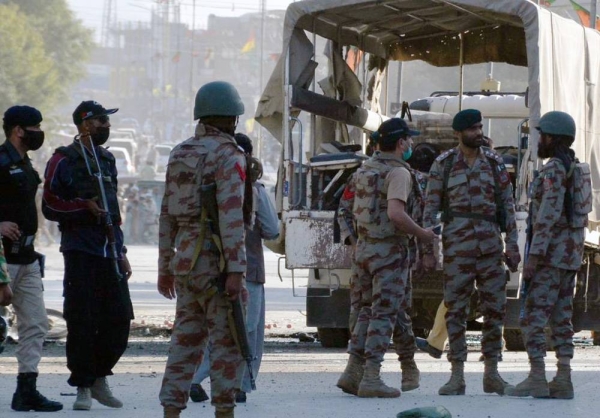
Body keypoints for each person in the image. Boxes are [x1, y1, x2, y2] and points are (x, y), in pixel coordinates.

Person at [158, 81, 247, 418]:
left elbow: (167, 214)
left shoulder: (179, 152)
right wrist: (236, 270)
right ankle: (224, 410)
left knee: (184, 344)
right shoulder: (228, 154)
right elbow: (231, 215)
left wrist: (165, 266)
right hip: (217, 265)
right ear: (231, 119)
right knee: (228, 346)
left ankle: (171, 410)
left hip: (185, 263)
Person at [42, 100, 133, 411]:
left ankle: (98, 377)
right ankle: (82, 385)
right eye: (100, 121)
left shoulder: (107, 160)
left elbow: (114, 213)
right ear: (83, 124)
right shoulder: (62, 159)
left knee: (120, 320)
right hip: (80, 251)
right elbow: (49, 205)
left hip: (109, 253)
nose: (106, 126)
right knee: (82, 321)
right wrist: (82, 207)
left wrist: (120, 251)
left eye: (107, 121)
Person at [422, 109, 520, 396]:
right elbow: (430, 209)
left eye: (480, 127)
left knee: (495, 310)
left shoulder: (494, 162)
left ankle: (492, 373)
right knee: (456, 311)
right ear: (459, 133)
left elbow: (508, 205)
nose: (479, 132)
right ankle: (457, 376)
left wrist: (512, 244)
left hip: (490, 247)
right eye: (473, 129)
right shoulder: (444, 164)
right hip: (457, 249)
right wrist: (428, 249)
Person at [337, 118, 436, 399]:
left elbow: (344, 209)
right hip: (390, 254)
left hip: (365, 253)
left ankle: (354, 371)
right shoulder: (399, 174)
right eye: (409, 140)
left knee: (367, 312)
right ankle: (371, 377)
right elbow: (396, 213)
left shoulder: (363, 170)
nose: (412, 145)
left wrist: (356, 242)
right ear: (401, 143)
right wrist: (423, 235)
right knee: (384, 314)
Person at [190, 133, 279, 404]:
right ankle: (236, 384)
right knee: (245, 330)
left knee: (212, 328)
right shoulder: (253, 188)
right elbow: (272, 230)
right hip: (246, 269)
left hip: (208, 267)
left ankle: (195, 377)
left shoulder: (205, 184)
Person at [506, 111, 589, 399]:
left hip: (550, 257)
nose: (538, 140)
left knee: (532, 318)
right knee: (561, 318)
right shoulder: (574, 168)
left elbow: (547, 218)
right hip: (569, 257)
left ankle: (537, 377)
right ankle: (563, 379)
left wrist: (534, 259)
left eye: (542, 135)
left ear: (552, 138)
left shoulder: (554, 170)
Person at [0, 106, 63, 412]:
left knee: (36, 324)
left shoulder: (24, 164)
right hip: (2, 259)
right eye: (34, 127)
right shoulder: (0, 162)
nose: (40, 132)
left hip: (26, 258)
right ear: (18, 130)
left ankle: (26, 390)